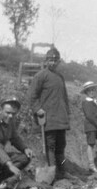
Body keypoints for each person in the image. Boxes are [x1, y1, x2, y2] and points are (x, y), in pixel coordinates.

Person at [28, 48, 71, 179]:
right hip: (48, 119)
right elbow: (31, 96)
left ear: (59, 62)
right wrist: (37, 109)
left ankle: (62, 171)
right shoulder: (41, 76)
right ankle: (53, 174)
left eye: (55, 60)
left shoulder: (60, 77)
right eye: (50, 60)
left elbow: (64, 97)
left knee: (61, 146)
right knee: (50, 146)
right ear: (46, 61)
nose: (52, 63)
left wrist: (67, 113)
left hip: (60, 118)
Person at [81, 81, 97, 173]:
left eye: (93, 90)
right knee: (91, 144)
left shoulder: (94, 102)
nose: (92, 92)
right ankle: (91, 165)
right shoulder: (86, 102)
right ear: (86, 92)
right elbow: (89, 116)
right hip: (91, 126)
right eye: (89, 90)